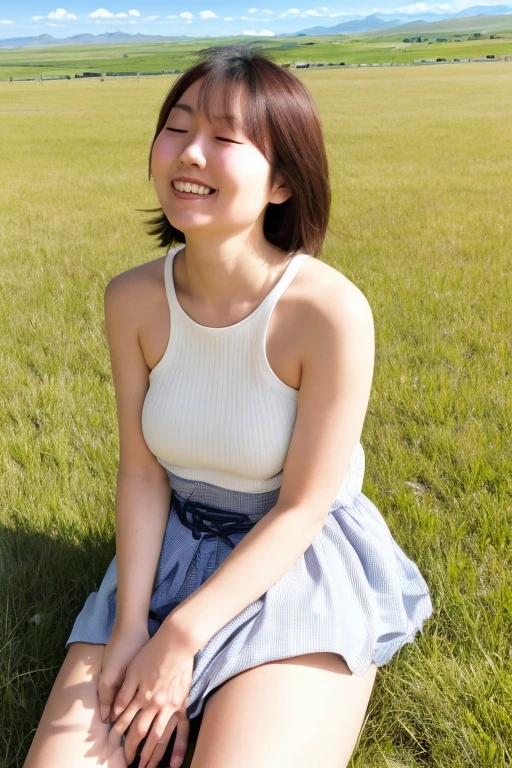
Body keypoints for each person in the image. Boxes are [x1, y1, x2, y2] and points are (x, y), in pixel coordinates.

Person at [24, 43, 433, 768]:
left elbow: (304, 507)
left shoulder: (328, 311)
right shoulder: (133, 299)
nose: (189, 153)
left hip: (297, 559)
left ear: (282, 181)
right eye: (177, 127)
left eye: (224, 137)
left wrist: (179, 638)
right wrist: (129, 631)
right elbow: (144, 474)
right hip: (173, 545)